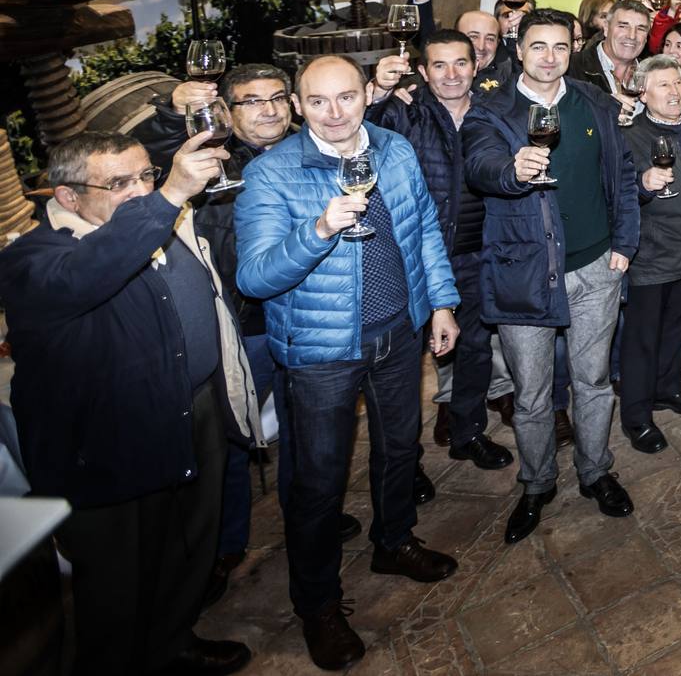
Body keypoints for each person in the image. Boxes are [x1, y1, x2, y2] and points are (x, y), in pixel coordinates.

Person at [0, 130, 258, 676]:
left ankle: (172, 641)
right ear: (67, 196)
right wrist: (166, 197)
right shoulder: (33, 260)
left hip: (193, 413)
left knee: (188, 549)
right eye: (120, 182)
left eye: (146, 175)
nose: (142, 191)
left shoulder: (152, 226)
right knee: (116, 583)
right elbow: (91, 275)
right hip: (109, 445)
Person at [237, 56, 461, 669]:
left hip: (398, 331)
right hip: (322, 351)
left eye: (346, 97)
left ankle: (394, 541)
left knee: (399, 447)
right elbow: (254, 276)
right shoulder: (272, 173)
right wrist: (318, 229)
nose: (335, 113)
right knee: (319, 480)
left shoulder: (392, 148)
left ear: (368, 94)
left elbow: (423, 235)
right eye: (317, 101)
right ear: (296, 105)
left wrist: (440, 302)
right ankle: (318, 604)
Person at [462, 9, 641, 546]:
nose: (549, 58)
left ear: (574, 49)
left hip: (595, 268)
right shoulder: (491, 111)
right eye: (538, 46)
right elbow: (479, 166)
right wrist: (511, 171)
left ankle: (596, 471)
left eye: (560, 47)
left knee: (592, 382)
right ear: (518, 49)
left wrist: (624, 244)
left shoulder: (595, 103)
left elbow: (624, 176)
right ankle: (537, 483)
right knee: (534, 394)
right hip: (526, 275)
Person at [131, 61, 305, 592]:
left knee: (305, 429)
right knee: (228, 440)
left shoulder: (307, 146)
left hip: (305, 318)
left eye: (277, 96)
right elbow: (149, 161)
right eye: (252, 100)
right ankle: (223, 546)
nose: (270, 109)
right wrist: (170, 113)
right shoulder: (208, 158)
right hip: (240, 324)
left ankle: (306, 518)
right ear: (225, 110)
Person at [369, 33, 516, 474]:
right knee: (404, 365)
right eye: (439, 65)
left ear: (476, 67)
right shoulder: (404, 111)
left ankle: (467, 433)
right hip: (409, 256)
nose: (451, 75)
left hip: (476, 253)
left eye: (460, 64)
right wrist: (377, 91)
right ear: (423, 71)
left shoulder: (494, 113)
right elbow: (361, 131)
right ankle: (403, 462)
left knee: (473, 348)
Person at [617, 55, 681, 452]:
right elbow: (619, 193)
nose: (674, 91)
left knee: (678, 328)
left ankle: (667, 388)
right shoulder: (629, 136)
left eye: (677, 82)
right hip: (653, 253)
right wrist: (643, 184)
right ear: (642, 93)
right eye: (663, 84)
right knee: (642, 339)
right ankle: (637, 416)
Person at [570, 0, 653, 113]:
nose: (632, 36)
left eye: (640, 29)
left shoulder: (653, 74)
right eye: (623, 26)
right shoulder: (572, 67)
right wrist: (603, 107)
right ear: (606, 28)